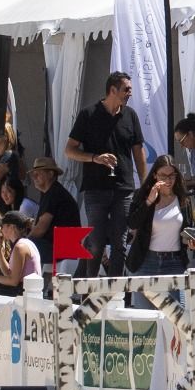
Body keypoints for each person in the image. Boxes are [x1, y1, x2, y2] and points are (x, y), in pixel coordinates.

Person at [64, 71, 148, 276]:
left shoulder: (131, 115)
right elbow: (69, 150)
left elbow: (139, 151)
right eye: (126, 89)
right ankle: (90, 290)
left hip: (123, 188)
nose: (130, 94)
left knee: (120, 243)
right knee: (96, 242)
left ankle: (115, 292)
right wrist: (95, 158)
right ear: (112, 90)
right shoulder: (88, 114)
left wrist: (144, 184)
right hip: (95, 188)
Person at [124, 155, 195, 281]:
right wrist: (149, 201)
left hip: (174, 262)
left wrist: (192, 242)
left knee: (174, 301)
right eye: (163, 176)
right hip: (146, 260)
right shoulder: (142, 195)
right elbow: (132, 223)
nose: (168, 180)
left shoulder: (183, 199)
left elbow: (187, 231)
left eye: (171, 175)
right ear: (155, 175)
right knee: (141, 301)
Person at [25, 156, 81, 274]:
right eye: (33, 174)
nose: (34, 177)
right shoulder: (50, 192)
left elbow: (41, 228)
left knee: (22, 246)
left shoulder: (54, 193)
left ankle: (15, 284)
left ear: (50, 174)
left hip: (63, 249)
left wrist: (23, 242)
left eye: (38, 174)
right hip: (60, 247)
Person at [0, 210, 42, 296]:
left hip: (25, 294)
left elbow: (13, 281)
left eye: (3, 226)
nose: (1, 229)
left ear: (12, 227)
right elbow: (8, 274)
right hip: (25, 292)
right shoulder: (23, 243)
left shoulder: (20, 246)